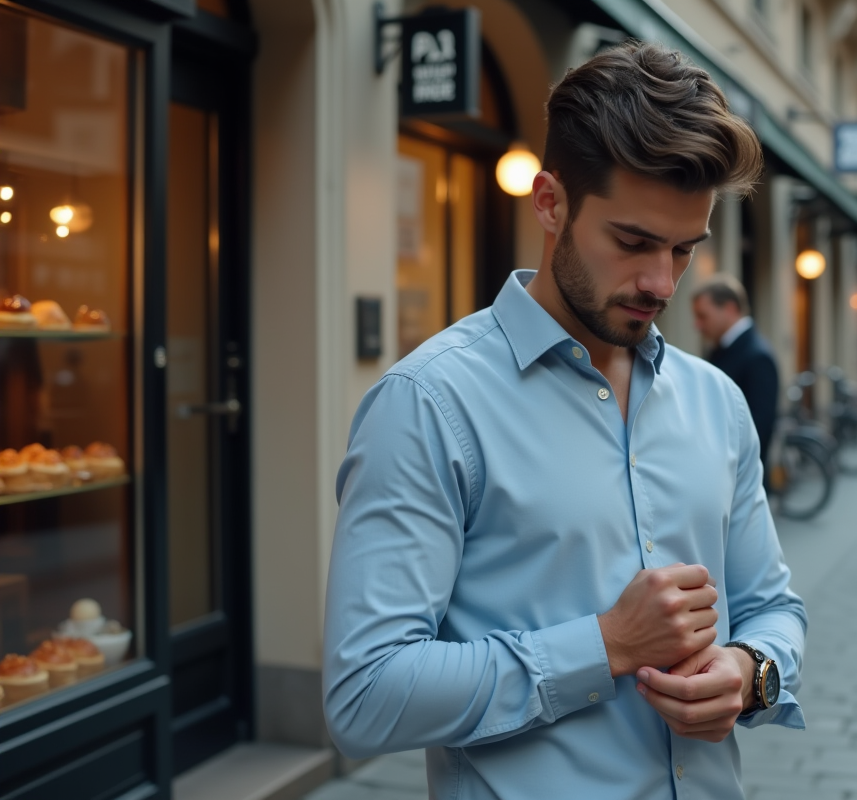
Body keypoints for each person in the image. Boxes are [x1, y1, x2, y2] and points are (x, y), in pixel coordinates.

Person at [323, 42, 806, 800]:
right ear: (550, 203)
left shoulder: (718, 400)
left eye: (684, 250)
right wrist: (606, 644)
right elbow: (365, 696)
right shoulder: (429, 404)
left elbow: (771, 607)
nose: (661, 282)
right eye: (633, 242)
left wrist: (753, 673)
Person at [692, 274, 780, 478]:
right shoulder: (721, 349)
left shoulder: (757, 356)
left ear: (730, 309)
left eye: (703, 316)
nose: (697, 325)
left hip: (739, 481)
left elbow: (758, 431)